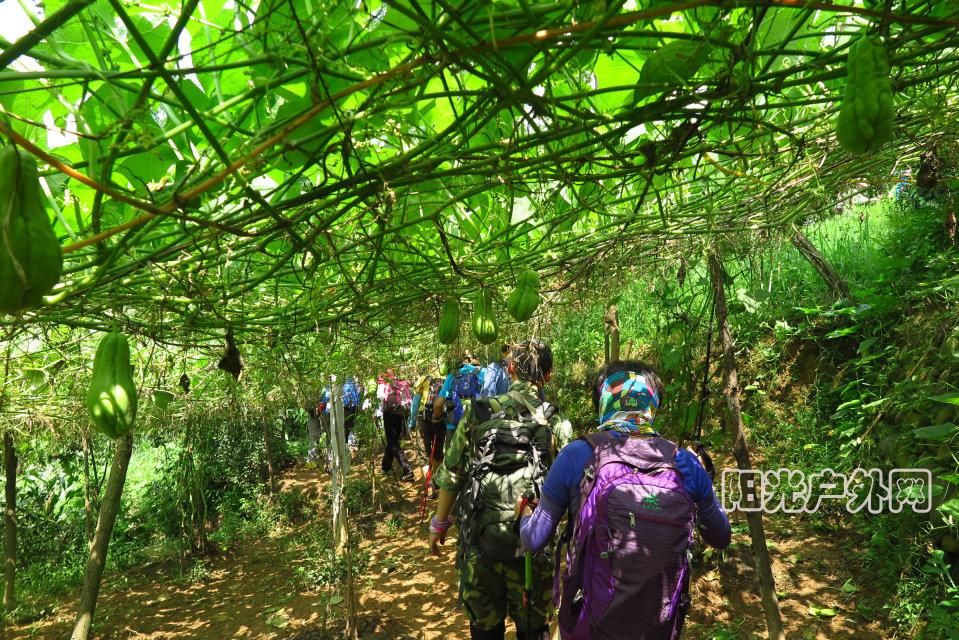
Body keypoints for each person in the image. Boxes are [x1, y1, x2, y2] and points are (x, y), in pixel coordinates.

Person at [518, 360, 731, 640]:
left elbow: (534, 539)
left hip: (591, 628)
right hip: (657, 630)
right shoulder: (684, 462)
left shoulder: (578, 454)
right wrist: (703, 485)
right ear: (652, 404)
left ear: (603, 401)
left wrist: (524, 516)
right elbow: (720, 536)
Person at [428, 340, 573, 640]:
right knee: (533, 630)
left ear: (510, 368)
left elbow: (453, 474)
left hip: (481, 545)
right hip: (534, 553)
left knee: (485, 630)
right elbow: (570, 488)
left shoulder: (478, 413)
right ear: (549, 375)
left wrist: (439, 524)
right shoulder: (556, 422)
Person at [431, 355, 482, 456]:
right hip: (476, 425)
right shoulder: (482, 373)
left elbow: (438, 404)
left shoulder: (452, 376)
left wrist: (436, 418)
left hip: (454, 426)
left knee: (452, 458)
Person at [410, 366, 447, 495]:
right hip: (440, 420)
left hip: (423, 419)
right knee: (437, 452)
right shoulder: (446, 380)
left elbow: (415, 403)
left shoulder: (423, 380)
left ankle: (430, 487)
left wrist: (412, 422)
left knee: (424, 454)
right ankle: (437, 482)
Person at [378, 369, 413, 480]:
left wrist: (378, 412)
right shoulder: (402, 383)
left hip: (390, 415)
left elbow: (382, 400)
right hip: (401, 414)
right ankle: (385, 467)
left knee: (393, 443)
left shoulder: (385, 384)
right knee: (393, 441)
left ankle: (407, 469)